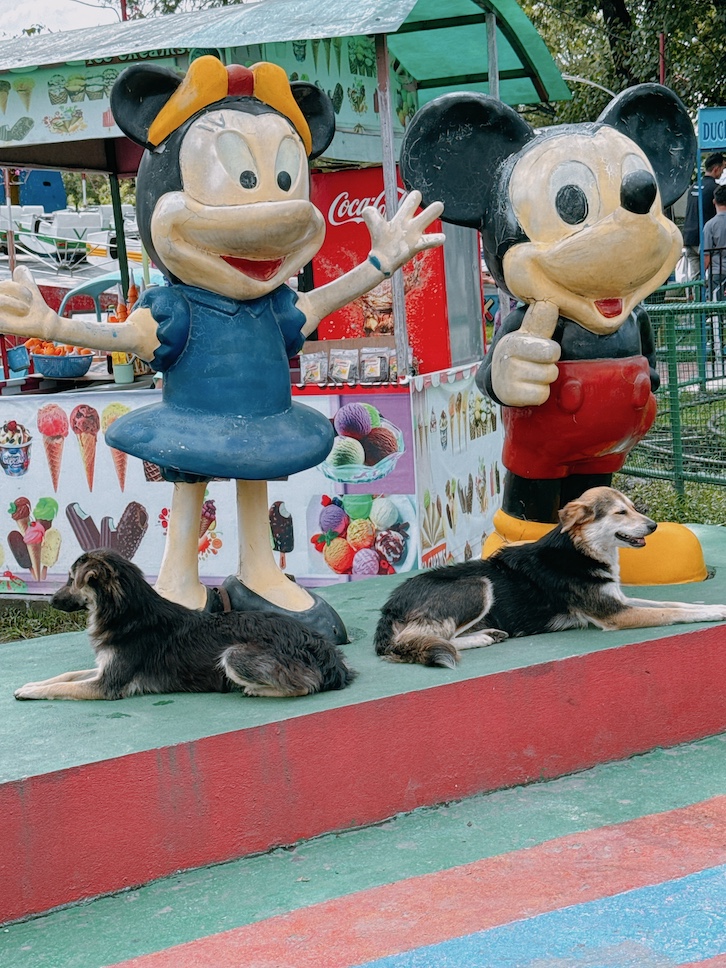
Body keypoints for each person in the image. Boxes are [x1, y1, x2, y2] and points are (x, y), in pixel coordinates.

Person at [682, 152, 725, 280]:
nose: (722, 172)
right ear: (716, 169)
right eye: (722, 169)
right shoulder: (716, 189)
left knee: (696, 280)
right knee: (713, 277)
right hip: (704, 241)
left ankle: (696, 300)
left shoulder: (693, 187)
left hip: (689, 238)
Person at [704, 184, 726, 302]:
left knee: (718, 308)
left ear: (714, 202)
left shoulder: (710, 225)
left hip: (717, 272)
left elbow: (706, 256)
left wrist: (703, 276)